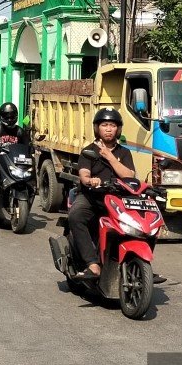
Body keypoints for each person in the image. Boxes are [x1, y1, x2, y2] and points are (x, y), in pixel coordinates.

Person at [67, 108, 136, 281]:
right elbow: (83, 174)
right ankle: (92, 264)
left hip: (117, 200)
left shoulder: (124, 152)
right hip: (92, 197)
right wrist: (91, 181)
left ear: (118, 129)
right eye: (104, 125)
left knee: (139, 222)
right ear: (97, 128)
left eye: (112, 125)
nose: (108, 129)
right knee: (76, 216)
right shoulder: (89, 150)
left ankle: (138, 261)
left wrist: (110, 156)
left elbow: (129, 176)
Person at [0, 102, 31, 196]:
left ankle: (31, 187)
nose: (9, 119)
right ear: (2, 117)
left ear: (16, 116)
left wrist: (31, 148)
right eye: (7, 117)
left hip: (13, 160)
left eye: (12, 116)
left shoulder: (19, 131)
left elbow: (27, 144)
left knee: (30, 164)